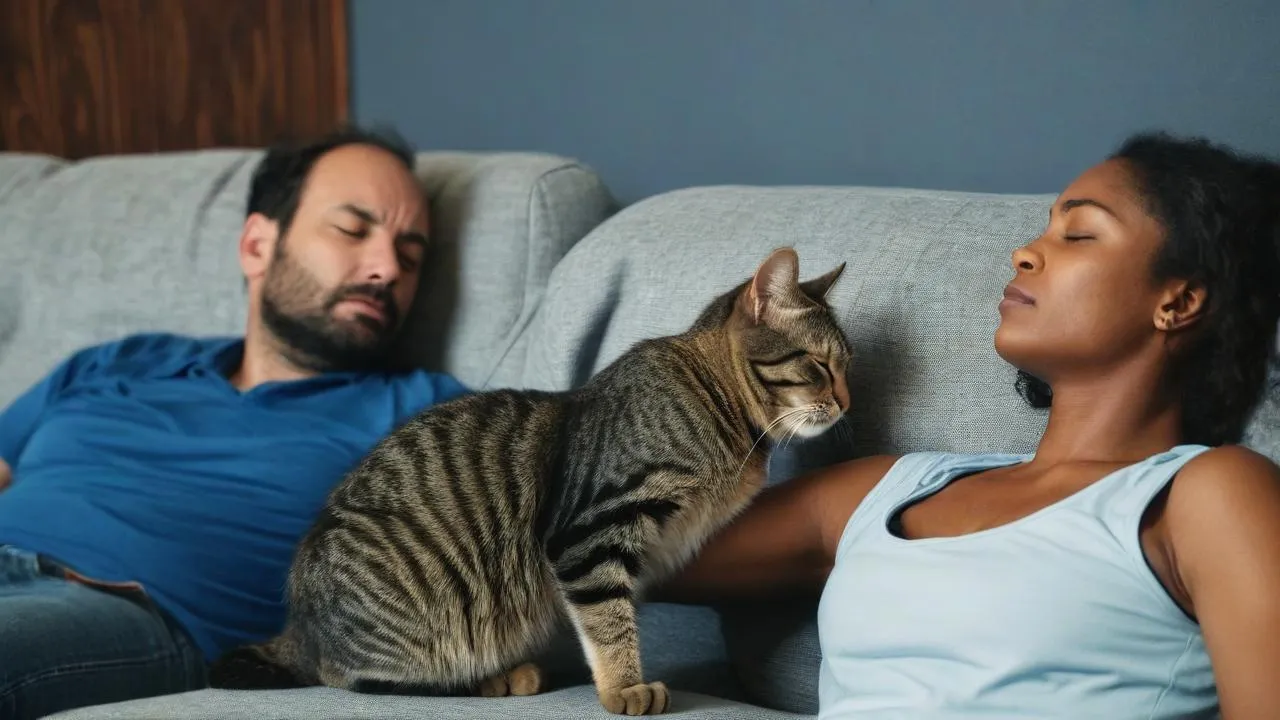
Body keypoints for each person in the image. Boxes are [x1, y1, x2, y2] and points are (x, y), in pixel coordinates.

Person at [662, 132, 1280, 719]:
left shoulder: (1207, 494)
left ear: (1178, 301)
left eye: (1080, 234)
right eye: (1045, 229)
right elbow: (614, 544)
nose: (1024, 252)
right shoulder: (882, 491)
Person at [0, 126, 470, 719]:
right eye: (352, 231)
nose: (386, 269)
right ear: (256, 246)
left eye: (410, 256)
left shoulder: (426, 414)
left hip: (124, 612)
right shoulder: (122, 360)